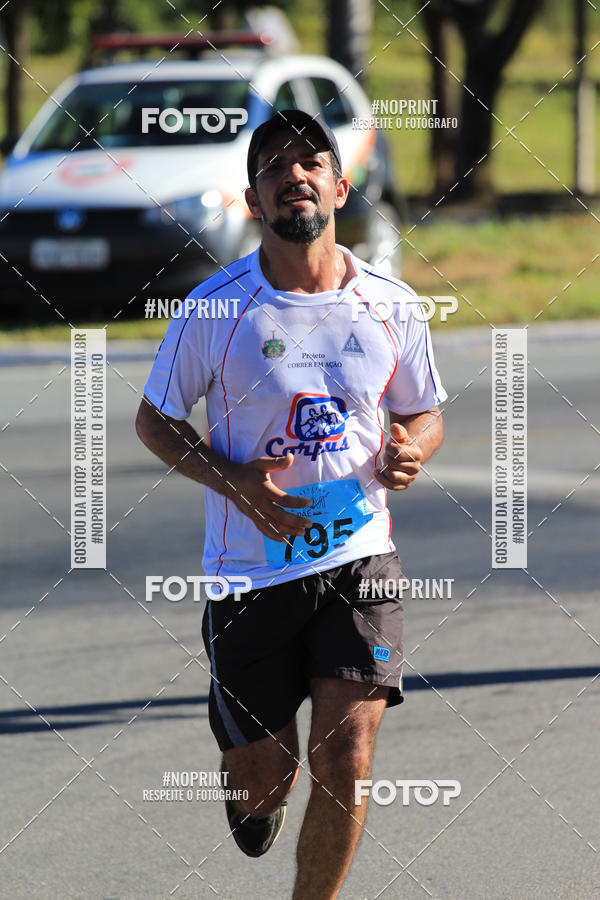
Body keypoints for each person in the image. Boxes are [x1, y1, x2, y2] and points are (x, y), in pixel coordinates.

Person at [136, 109, 446, 899]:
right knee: (265, 782)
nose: (294, 175)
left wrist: (415, 447)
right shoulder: (215, 308)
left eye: (310, 162)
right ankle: (251, 779)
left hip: (360, 559)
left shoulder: (391, 303)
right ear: (253, 199)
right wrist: (232, 480)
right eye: (274, 167)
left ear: (340, 186)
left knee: (346, 755)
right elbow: (155, 422)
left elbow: (425, 410)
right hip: (250, 575)